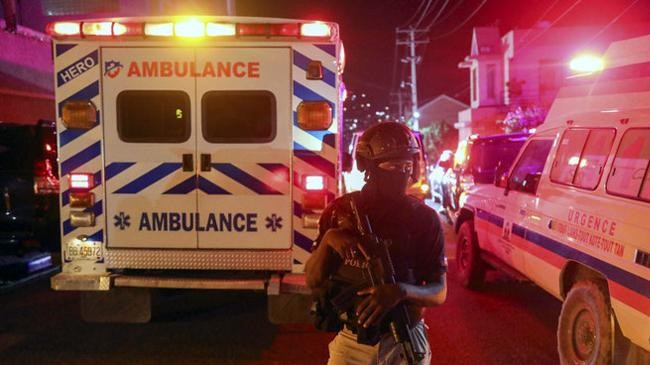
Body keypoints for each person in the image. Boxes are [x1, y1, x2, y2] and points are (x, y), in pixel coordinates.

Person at [305, 122, 447, 365]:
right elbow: (312, 279)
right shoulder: (340, 212)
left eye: (407, 165)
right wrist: (329, 240)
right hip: (351, 344)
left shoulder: (424, 218)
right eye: (392, 165)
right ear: (369, 166)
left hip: (405, 341)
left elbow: (439, 292)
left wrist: (399, 292)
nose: (402, 172)